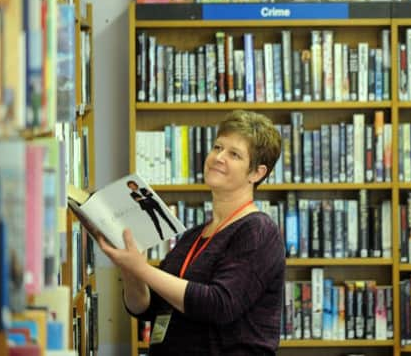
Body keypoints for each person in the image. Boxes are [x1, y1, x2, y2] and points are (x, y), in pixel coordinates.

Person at [100, 110, 284, 355]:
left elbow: (219, 304)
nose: (219, 157)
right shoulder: (193, 236)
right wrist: (131, 269)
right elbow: (145, 308)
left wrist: (142, 270)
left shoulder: (259, 231)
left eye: (234, 154)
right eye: (217, 147)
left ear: (257, 173)